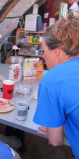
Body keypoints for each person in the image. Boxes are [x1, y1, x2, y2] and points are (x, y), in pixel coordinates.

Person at [33, 15, 79, 159]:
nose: (43, 56)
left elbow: (56, 140)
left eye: (44, 50)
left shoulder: (52, 80)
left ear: (57, 51)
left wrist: (54, 130)